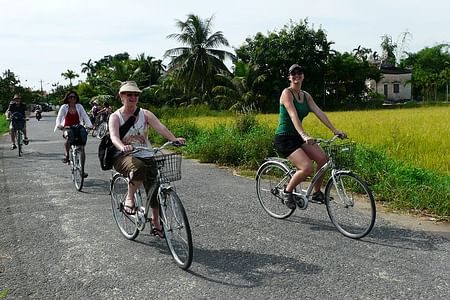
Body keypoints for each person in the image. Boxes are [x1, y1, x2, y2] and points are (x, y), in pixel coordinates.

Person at [109, 81, 185, 238]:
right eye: (129, 94)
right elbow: (114, 137)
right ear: (121, 96)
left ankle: (156, 222)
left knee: (154, 188)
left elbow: (160, 127)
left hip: (146, 153)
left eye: (136, 94)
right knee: (139, 168)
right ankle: (129, 198)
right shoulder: (115, 117)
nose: (133, 97)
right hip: (124, 156)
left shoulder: (145, 114)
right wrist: (122, 146)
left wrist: (173, 139)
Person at [274, 64, 346, 209]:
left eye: (299, 73)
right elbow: (293, 115)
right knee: (306, 168)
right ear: (289, 77)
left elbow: (319, 112)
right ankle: (287, 192)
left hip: (298, 136)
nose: (296, 76)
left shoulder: (306, 96)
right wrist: (304, 134)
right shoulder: (286, 93)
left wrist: (334, 130)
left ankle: (317, 192)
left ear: (303, 76)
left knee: (323, 159)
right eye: (293, 73)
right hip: (285, 137)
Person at [54, 91, 92, 177]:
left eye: (74, 97)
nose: (72, 99)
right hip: (67, 128)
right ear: (67, 98)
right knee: (68, 137)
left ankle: (82, 170)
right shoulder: (64, 107)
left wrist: (89, 125)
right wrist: (59, 125)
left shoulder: (79, 106)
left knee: (82, 147)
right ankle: (67, 155)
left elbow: (85, 116)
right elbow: (59, 117)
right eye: (70, 97)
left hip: (78, 127)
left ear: (76, 98)